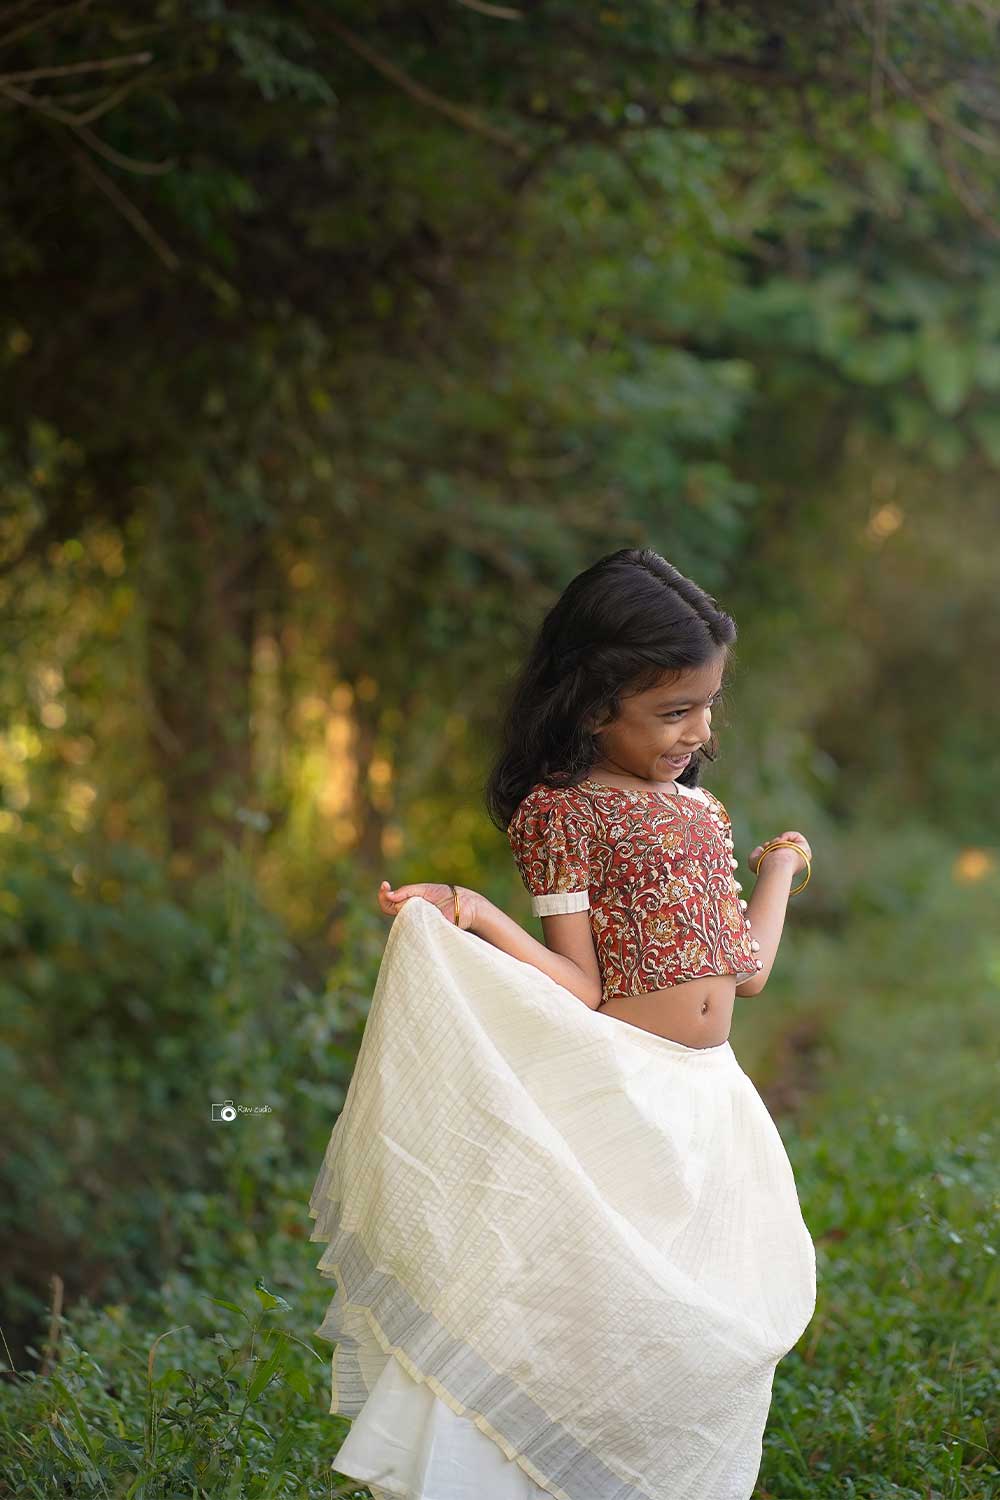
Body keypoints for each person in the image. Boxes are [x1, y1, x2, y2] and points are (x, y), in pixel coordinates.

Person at [308, 546, 817, 1500]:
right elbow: (580, 986)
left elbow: (744, 975)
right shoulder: (565, 813)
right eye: (674, 712)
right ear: (593, 706)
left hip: (709, 1102)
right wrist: (475, 910)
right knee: (586, 1304)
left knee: (692, 1319)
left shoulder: (701, 813)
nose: (699, 731)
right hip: (623, 1081)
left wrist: (779, 869)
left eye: (708, 706)